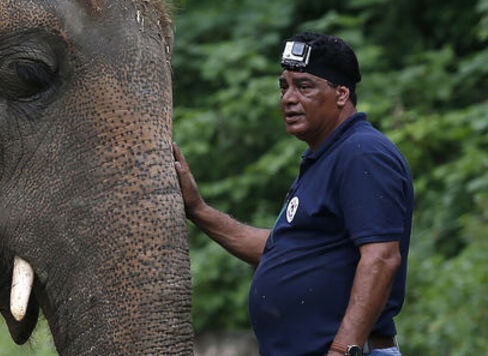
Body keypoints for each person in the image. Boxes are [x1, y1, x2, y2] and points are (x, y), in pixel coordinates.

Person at [173, 32, 414, 356]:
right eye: (284, 87)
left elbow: (382, 258)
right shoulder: (325, 158)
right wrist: (198, 209)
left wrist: (343, 350)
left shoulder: (362, 153)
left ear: (341, 93)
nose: (288, 98)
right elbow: (281, 249)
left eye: (304, 86)